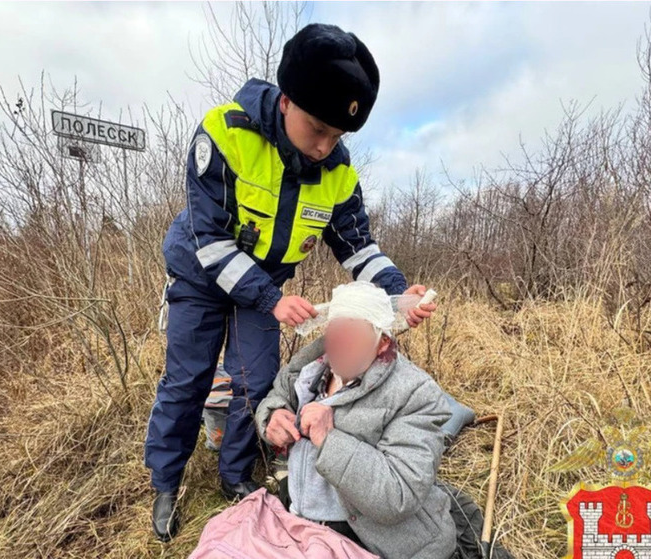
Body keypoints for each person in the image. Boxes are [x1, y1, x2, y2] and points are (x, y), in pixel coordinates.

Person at [144, 23, 436, 542]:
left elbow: (357, 246)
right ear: (285, 102)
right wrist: (273, 300)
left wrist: (398, 293)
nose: (325, 147)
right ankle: (165, 482)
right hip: (201, 274)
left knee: (255, 384)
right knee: (186, 380)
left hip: (266, 288)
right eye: (317, 129)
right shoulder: (224, 132)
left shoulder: (339, 174)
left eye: (337, 136)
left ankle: (236, 475)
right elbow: (209, 240)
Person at [255, 282, 457, 559]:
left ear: (382, 341)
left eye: (353, 334)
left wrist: (330, 439)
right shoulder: (308, 367)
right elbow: (276, 396)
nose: (340, 343)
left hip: (366, 539)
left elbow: (398, 495)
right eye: (336, 331)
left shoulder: (416, 393)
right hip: (301, 523)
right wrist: (272, 417)